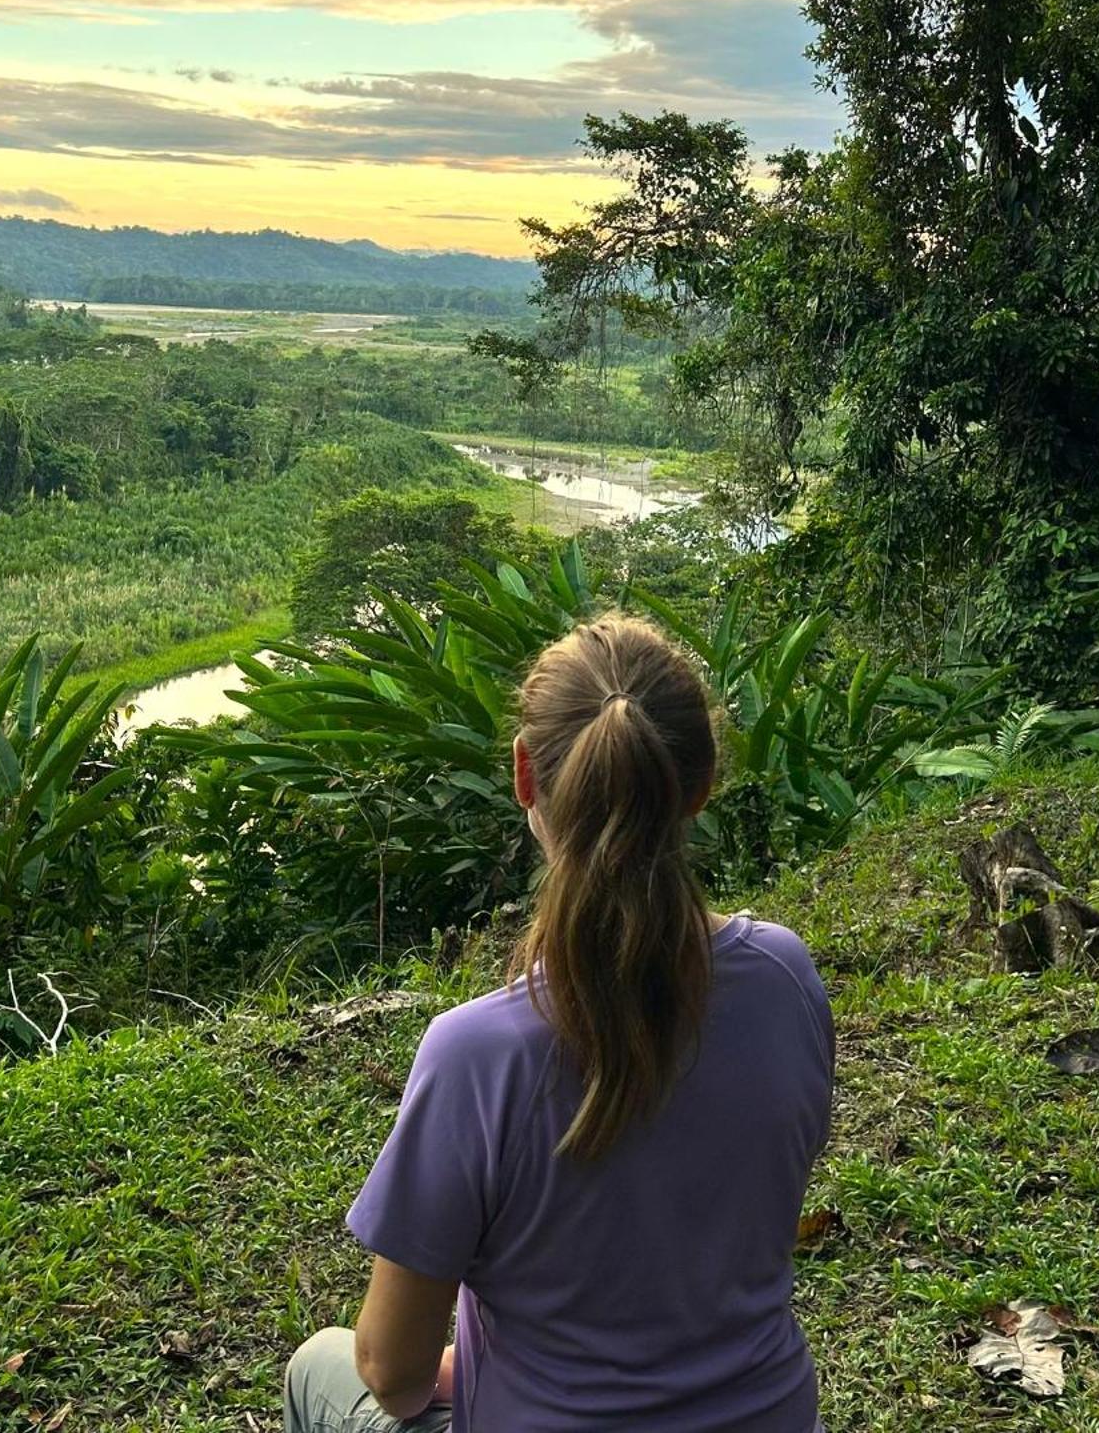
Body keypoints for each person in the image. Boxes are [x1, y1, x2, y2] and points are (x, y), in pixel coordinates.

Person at [282, 610, 834, 1433]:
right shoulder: (788, 977)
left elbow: (391, 1376)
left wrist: (465, 1370)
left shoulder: (476, 1056)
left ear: (524, 777)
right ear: (704, 781)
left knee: (316, 1369)